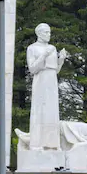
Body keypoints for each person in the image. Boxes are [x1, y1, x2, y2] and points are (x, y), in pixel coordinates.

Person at [25, 23, 68, 151]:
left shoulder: (52, 48)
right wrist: (44, 55)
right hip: (40, 80)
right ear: (38, 33)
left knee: (51, 111)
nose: (48, 35)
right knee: (40, 110)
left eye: (49, 32)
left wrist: (61, 59)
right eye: (45, 32)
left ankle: (52, 144)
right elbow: (32, 68)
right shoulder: (32, 48)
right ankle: (37, 143)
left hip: (51, 80)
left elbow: (56, 70)